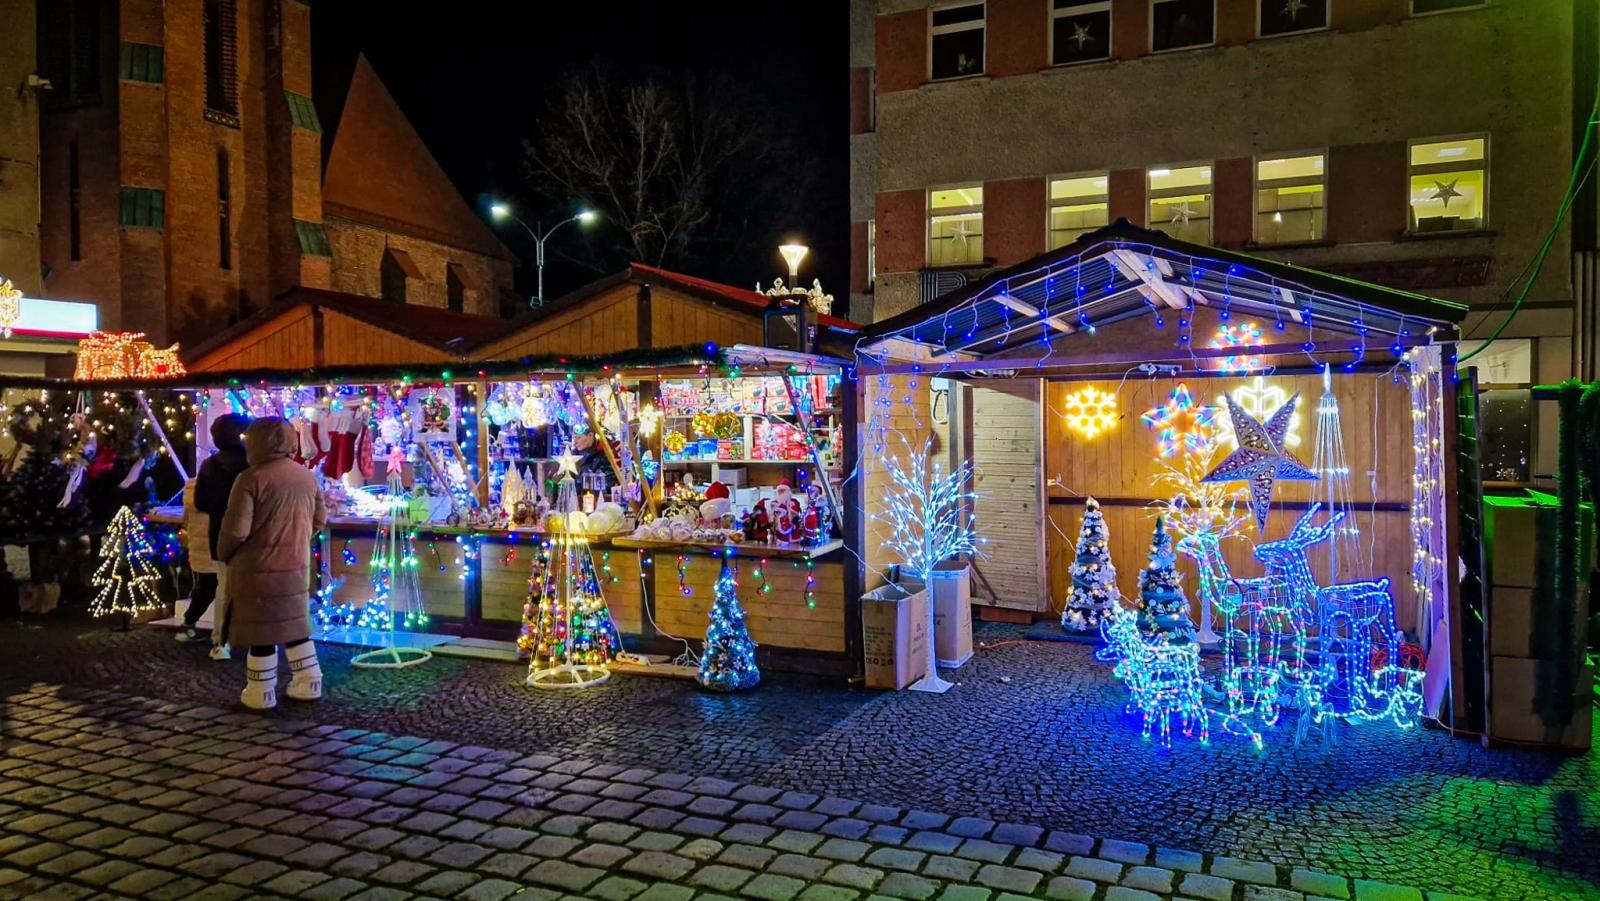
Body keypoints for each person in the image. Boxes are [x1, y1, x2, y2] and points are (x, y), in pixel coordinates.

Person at [217, 417, 327, 710]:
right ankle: (310, 681)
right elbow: (319, 519)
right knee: (293, 624)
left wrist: (225, 553)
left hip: (257, 568)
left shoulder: (251, 479)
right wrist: (297, 539)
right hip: (295, 565)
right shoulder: (306, 476)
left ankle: (260, 691)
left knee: (262, 630)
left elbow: (236, 530)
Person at [175, 413, 249, 659]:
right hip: (251, 534)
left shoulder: (209, 465)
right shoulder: (252, 465)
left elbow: (201, 503)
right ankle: (251, 637)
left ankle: (221, 640)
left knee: (223, 588)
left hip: (219, 533)